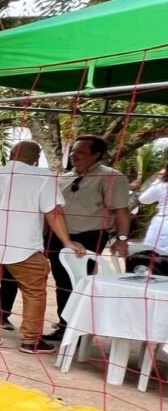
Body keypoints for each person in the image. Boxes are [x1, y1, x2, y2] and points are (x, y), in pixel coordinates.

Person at [0, 141, 84, 353]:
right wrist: (67, 241)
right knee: (34, 292)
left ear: (12, 155)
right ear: (36, 158)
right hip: (24, 246)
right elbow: (53, 212)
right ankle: (31, 340)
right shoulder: (43, 176)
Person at [44, 135, 132, 343]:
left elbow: (121, 211)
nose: (74, 156)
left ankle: (79, 330)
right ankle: (65, 325)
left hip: (90, 236)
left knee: (81, 282)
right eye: (74, 151)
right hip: (60, 237)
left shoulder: (111, 177)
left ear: (96, 155)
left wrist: (121, 238)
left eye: (81, 152)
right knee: (62, 282)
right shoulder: (64, 177)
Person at [128, 163, 168, 273]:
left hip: (163, 225)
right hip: (163, 224)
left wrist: (157, 180)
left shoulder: (162, 186)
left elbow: (144, 199)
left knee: (152, 256)